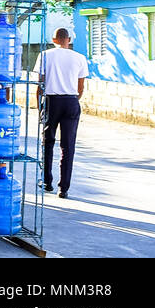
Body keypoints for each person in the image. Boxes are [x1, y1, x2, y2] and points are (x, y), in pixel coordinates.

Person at [35, 27, 89, 198]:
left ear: (54, 39)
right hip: (71, 101)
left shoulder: (45, 55)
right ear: (69, 39)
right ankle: (63, 188)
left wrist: (40, 107)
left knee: (48, 142)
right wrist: (72, 99)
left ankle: (47, 181)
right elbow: (81, 88)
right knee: (68, 145)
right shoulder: (79, 58)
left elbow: (40, 84)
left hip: (51, 101)